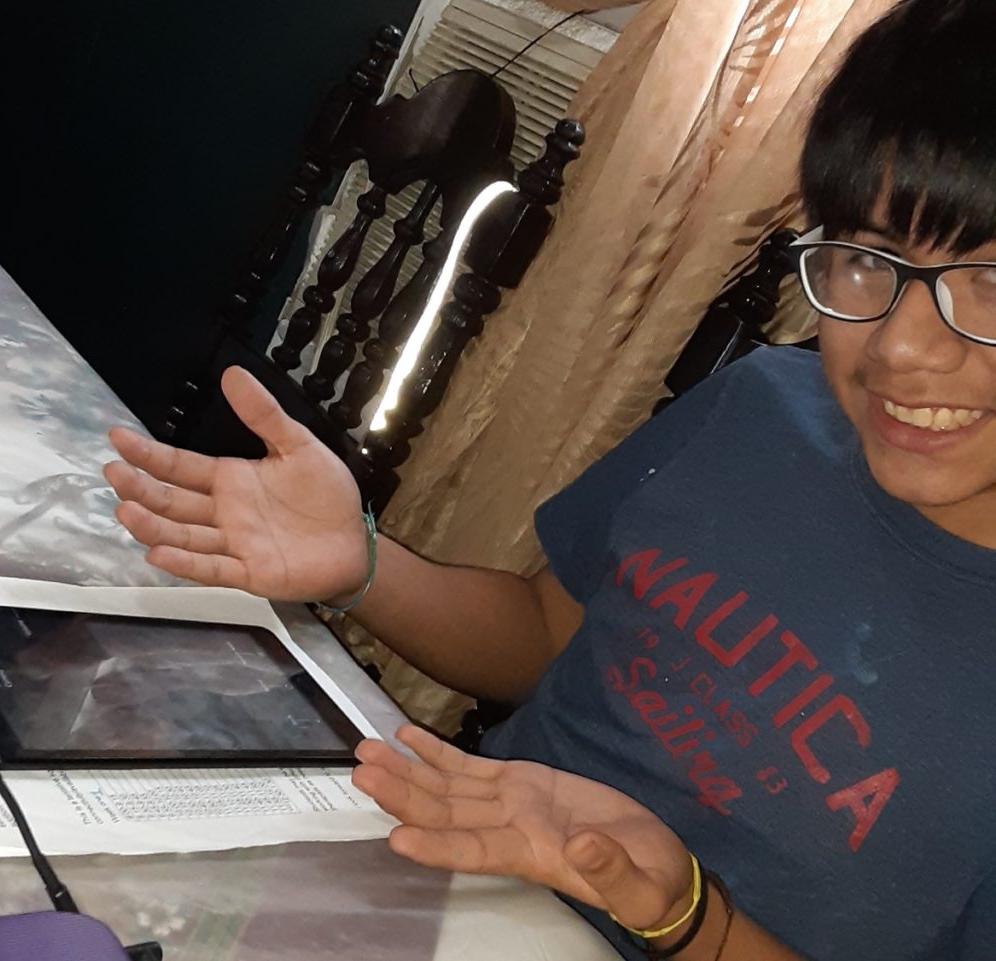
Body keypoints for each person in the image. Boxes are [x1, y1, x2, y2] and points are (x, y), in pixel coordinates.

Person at [103, 1, 996, 957]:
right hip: (415, 892)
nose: (899, 349)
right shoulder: (763, 408)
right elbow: (546, 633)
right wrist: (362, 562)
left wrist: (688, 916)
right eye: (868, 258)